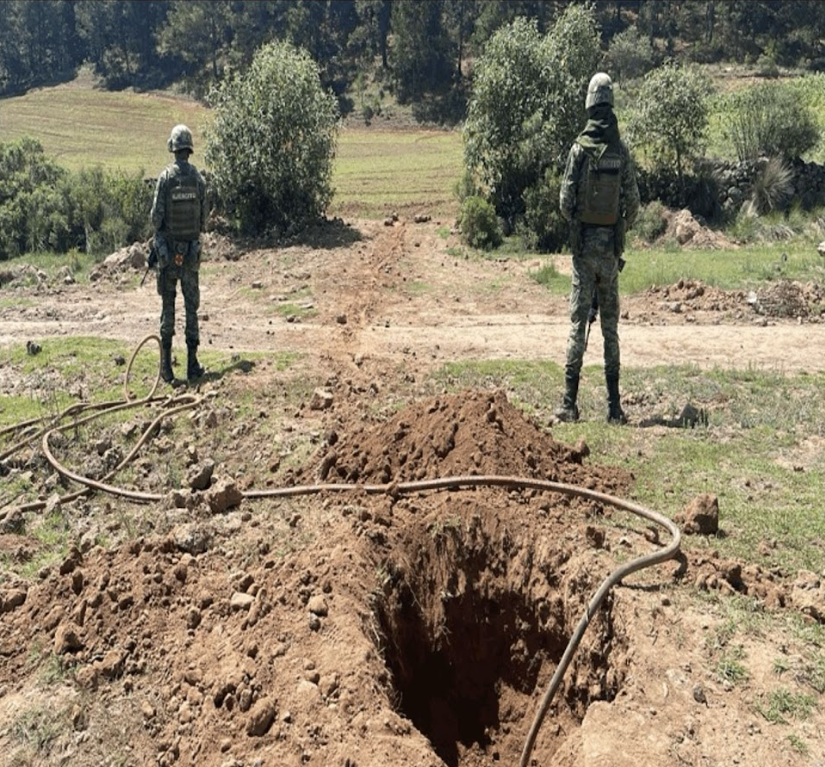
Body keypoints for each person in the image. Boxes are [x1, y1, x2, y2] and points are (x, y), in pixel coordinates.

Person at [556, 72, 640, 424]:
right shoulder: (621, 152)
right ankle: (614, 408)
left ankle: (568, 403)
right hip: (609, 254)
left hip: (583, 252)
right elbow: (633, 205)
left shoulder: (579, 149)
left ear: (590, 103)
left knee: (578, 324)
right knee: (610, 329)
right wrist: (615, 228)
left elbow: (564, 201)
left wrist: (580, 222)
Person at [150, 124, 208, 383]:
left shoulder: (165, 178)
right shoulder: (198, 179)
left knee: (168, 308)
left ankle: (166, 369)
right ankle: (192, 365)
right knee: (191, 309)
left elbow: (155, 219)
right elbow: (203, 221)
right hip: (191, 256)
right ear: (189, 149)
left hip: (168, 254)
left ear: (173, 149)